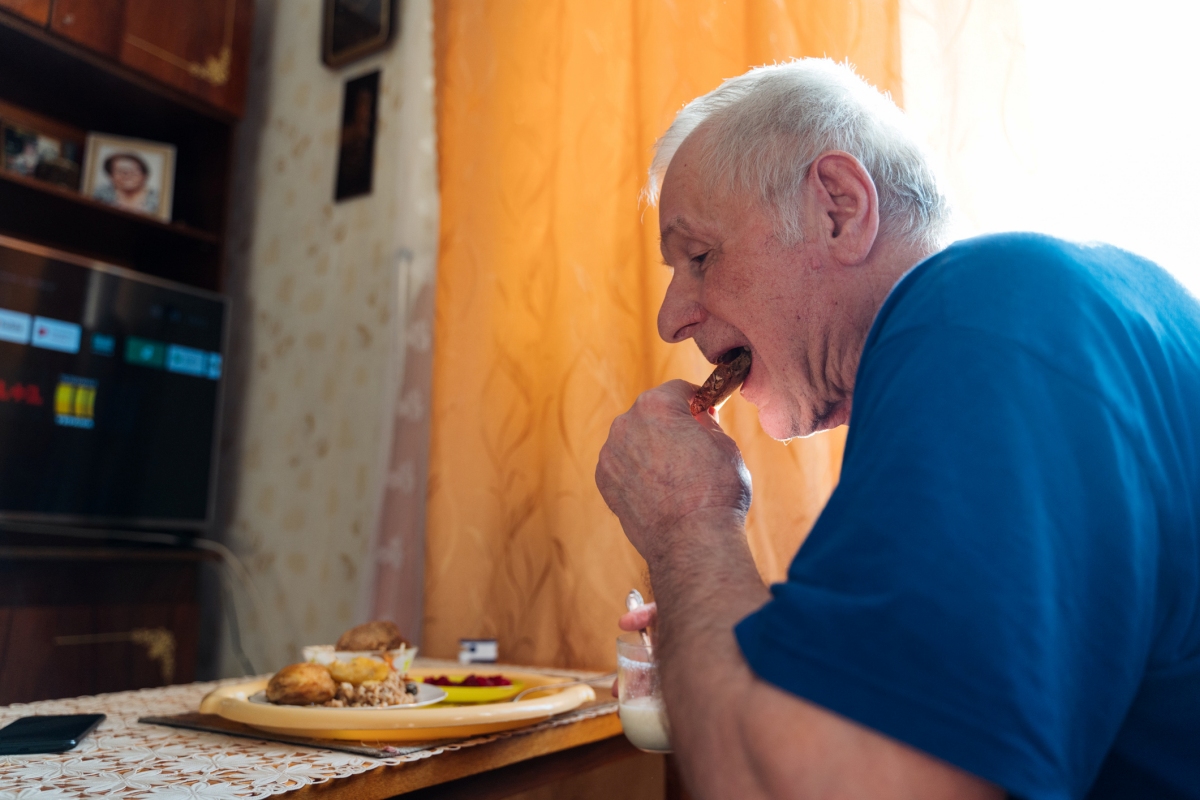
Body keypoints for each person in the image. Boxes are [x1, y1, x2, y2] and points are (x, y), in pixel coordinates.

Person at [595, 58, 1200, 800]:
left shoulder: (986, 320)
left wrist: (688, 523)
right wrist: (705, 626)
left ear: (839, 208)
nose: (671, 318)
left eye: (699, 256)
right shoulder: (1043, 321)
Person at [94, 152, 159, 215]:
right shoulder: (100, 194)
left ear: (144, 175)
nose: (127, 176)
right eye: (120, 171)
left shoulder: (157, 199)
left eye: (133, 171)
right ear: (111, 175)